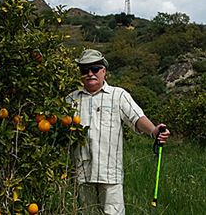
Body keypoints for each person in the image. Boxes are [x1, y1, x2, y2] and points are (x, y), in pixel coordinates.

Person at [66, 49, 170, 215]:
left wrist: (153, 130)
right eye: (85, 70)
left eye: (95, 69)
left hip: (110, 173)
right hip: (82, 173)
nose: (90, 74)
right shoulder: (71, 99)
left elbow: (137, 118)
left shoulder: (118, 95)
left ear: (104, 71)